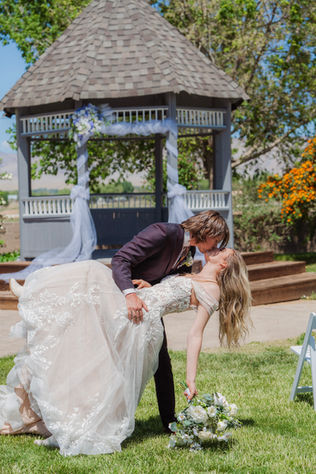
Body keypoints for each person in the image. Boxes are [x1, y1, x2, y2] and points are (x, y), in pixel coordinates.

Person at [0, 248, 251, 456]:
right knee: (89, 351)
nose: (217, 249)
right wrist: (150, 286)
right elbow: (169, 294)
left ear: (225, 262)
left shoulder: (213, 290)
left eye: (222, 250)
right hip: (138, 304)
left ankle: (35, 295)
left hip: (141, 321)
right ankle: (65, 422)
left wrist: (191, 378)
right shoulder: (195, 275)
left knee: (94, 274)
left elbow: (195, 333)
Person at [111, 210, 229, 431]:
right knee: (117, 361)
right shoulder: (163, 233)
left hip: (147, 308)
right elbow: (120, 259)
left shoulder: (190, 250)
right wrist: (130, 294)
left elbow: (171, 280)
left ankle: (169, 421)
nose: (215, 246)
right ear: (206, 231)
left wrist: (150, 285)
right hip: (123, 298)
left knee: (162, 362)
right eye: (216, 240)